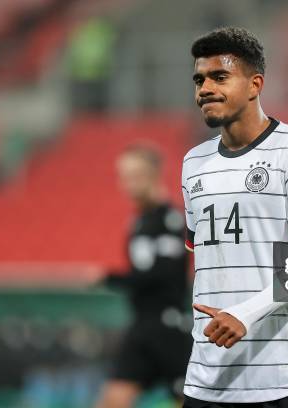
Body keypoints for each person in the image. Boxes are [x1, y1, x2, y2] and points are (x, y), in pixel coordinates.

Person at [181, 27, 288, 408]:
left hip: (286, 377)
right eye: (199, 79)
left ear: (255, 85)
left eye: (220, 77)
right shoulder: (193, 164)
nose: (204, 89)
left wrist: (244, 314)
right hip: (208, 379)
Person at [97, 145, 192, 408]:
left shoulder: (169, 219)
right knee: (112, 401)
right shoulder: (139, 222)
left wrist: (111, 279)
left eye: (135, 175)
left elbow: (164, 273)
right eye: (124, 176)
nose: (128, 183)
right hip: (142, 326)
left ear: (153, 175)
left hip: (167, 328)